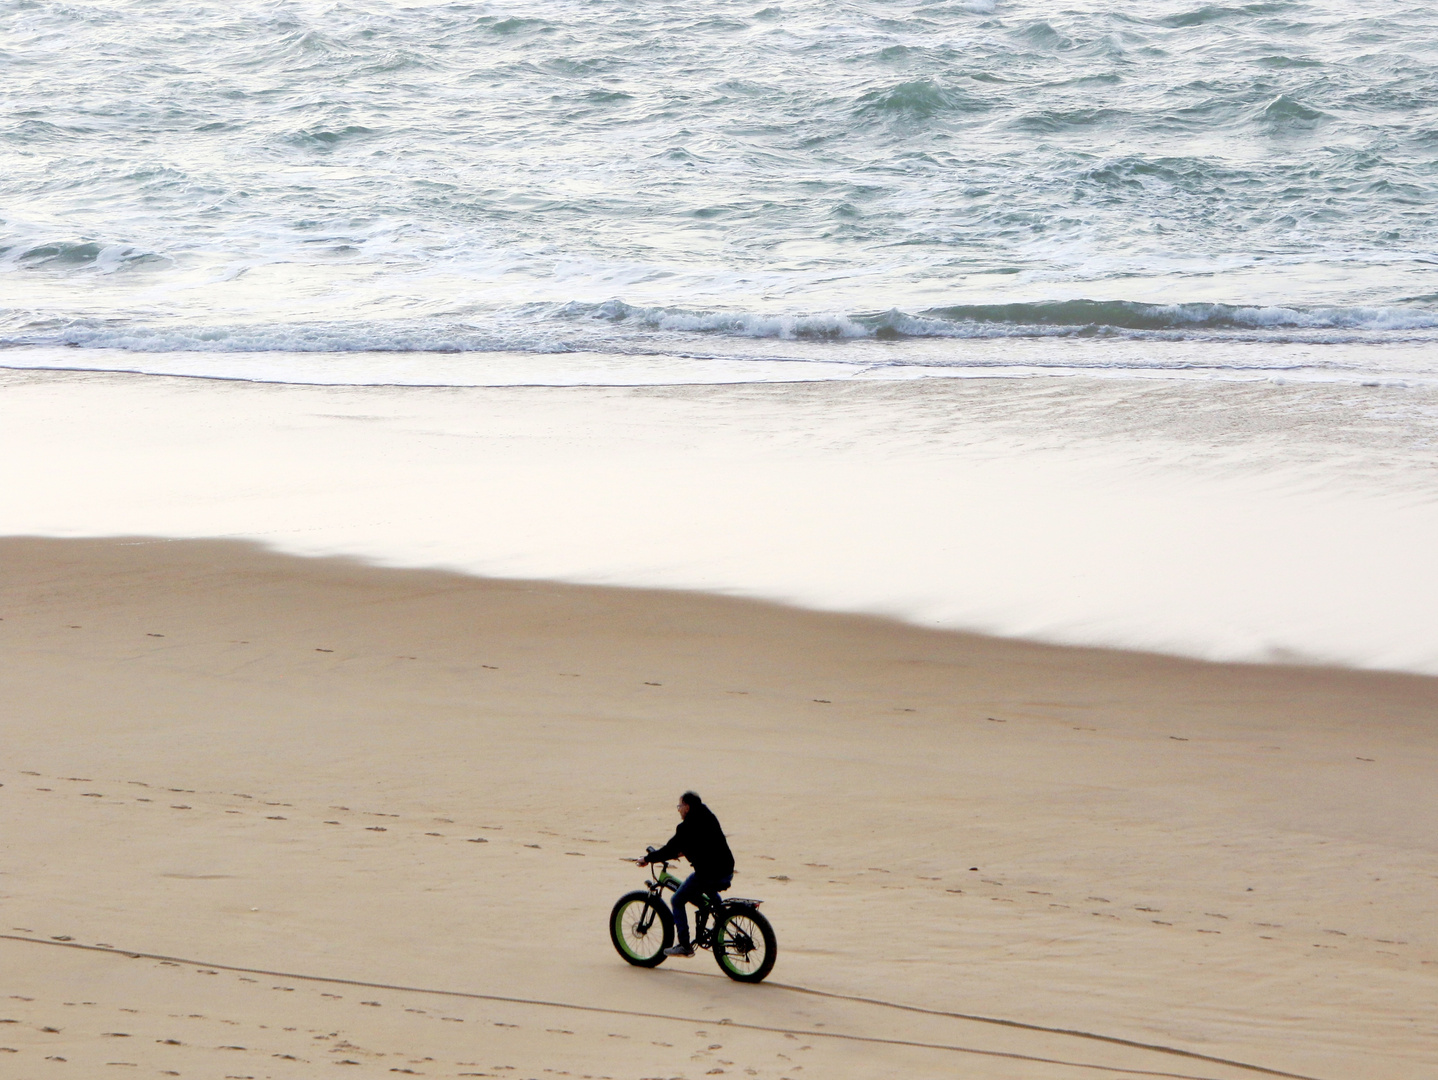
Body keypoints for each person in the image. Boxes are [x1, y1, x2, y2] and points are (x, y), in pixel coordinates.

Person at [637, 790, 735, 957]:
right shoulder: (708, 816)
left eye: (680, 806)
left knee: (677, 899)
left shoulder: (686, 826)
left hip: (708, 872)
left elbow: (670, 848)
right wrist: (682, 852)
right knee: (706, 890)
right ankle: (721, 916)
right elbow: (704, 842)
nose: (679, 810)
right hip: (726, 869)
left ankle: (684, 945)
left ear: (688, 807)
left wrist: (648, 858)